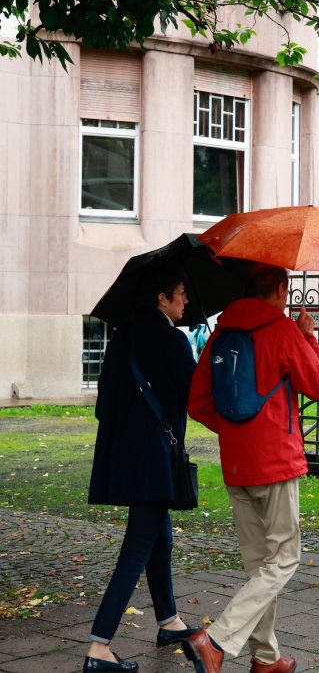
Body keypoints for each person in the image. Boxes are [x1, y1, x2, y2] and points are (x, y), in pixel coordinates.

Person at [184, 264, 319, 673]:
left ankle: (265, 658)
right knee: (284, 559)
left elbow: (197, 403)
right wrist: (307, 335)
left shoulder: (220, 334)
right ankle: (214, 640)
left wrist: (236, 431)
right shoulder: (282, 330)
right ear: (281, 289)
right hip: (276, 462)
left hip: (237, 463)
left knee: (258, 565)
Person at [85, 269, 198, 673]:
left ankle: (169, 621)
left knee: (159, 539)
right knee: (135, 551)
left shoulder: (121, 340)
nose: (186, 301)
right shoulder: (172, 341)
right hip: (156, 461)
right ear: (161, 298)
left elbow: (104, 407)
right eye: (181, 293)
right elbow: (195, 397)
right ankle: (99, 647)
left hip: (127, 460)